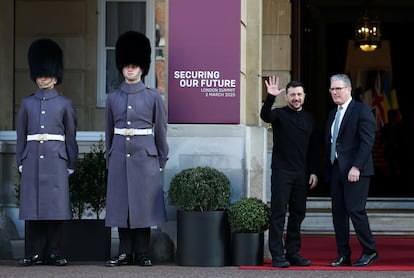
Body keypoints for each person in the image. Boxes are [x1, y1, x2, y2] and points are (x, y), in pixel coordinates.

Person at [104, 31, 169, 267]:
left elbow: (160, 132)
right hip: (120, 156)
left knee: (143, 207)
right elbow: (108, 133)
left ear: (142, 68)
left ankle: (142, 252)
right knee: (122, 206)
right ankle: (124, 252)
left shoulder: (153, 97)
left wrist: (160, 160)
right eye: (127, 66)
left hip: (146, 158)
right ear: (122, 68)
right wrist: (110, 160)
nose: (130, 69)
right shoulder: (113, 98)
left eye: (135, 65)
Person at [16, 38, 78, 266]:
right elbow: (21, 134)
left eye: (47, 73)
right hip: (32, 159)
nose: (43, 77)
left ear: (55, 75)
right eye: (40, 73)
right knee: (34, 210)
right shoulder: (27, 103)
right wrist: (20, 161)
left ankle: (53, 251)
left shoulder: (64, 104)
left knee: (55, 210)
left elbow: (70, 136)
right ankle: (34, 252)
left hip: (56, 161)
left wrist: (71, 163)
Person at [260, 76, 319, 268]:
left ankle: (293, 253)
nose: (296, 98)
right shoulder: (279, 114)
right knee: (278, 213)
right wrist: (270, 98)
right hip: (282, 172)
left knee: (298, 214)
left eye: (299, 94)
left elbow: (314, 148)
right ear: (287, 97)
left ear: (304, 96)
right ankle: (277, 254)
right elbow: (265, 116)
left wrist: (314, 171)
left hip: (302, 174)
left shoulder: (310, 118)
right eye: (292, 94)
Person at [326, 73, 378, 267]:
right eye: (332, 89)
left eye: (338, 88)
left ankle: (370, 250)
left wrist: (356, 166)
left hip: (356, 171)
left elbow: (367, 142)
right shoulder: (333, 113)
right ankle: (343, 254)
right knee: (338, 214)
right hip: (336, 170)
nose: (334, 92)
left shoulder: (362, 110)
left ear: (348, 89)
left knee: (355, 211)